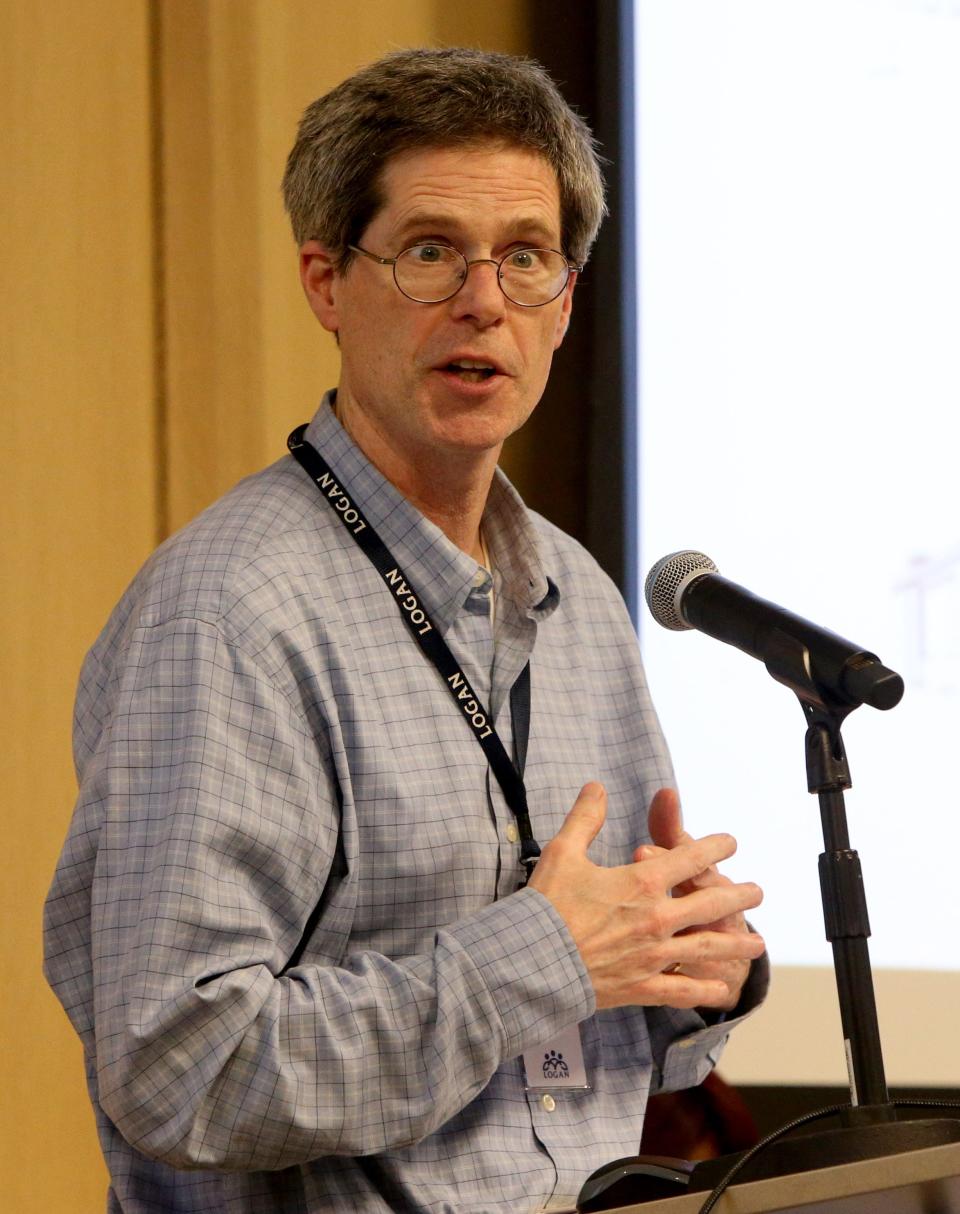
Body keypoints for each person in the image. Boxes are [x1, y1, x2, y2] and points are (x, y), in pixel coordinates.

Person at [44, 47, 767, 1214]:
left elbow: (621, 1041)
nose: (484, 301)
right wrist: (546, 957)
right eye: (431, 252)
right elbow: (179, 1069)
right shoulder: (230, 615)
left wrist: (690, 976)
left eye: (525, 257)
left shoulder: (575, 598)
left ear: (566, 299)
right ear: (328, 283)